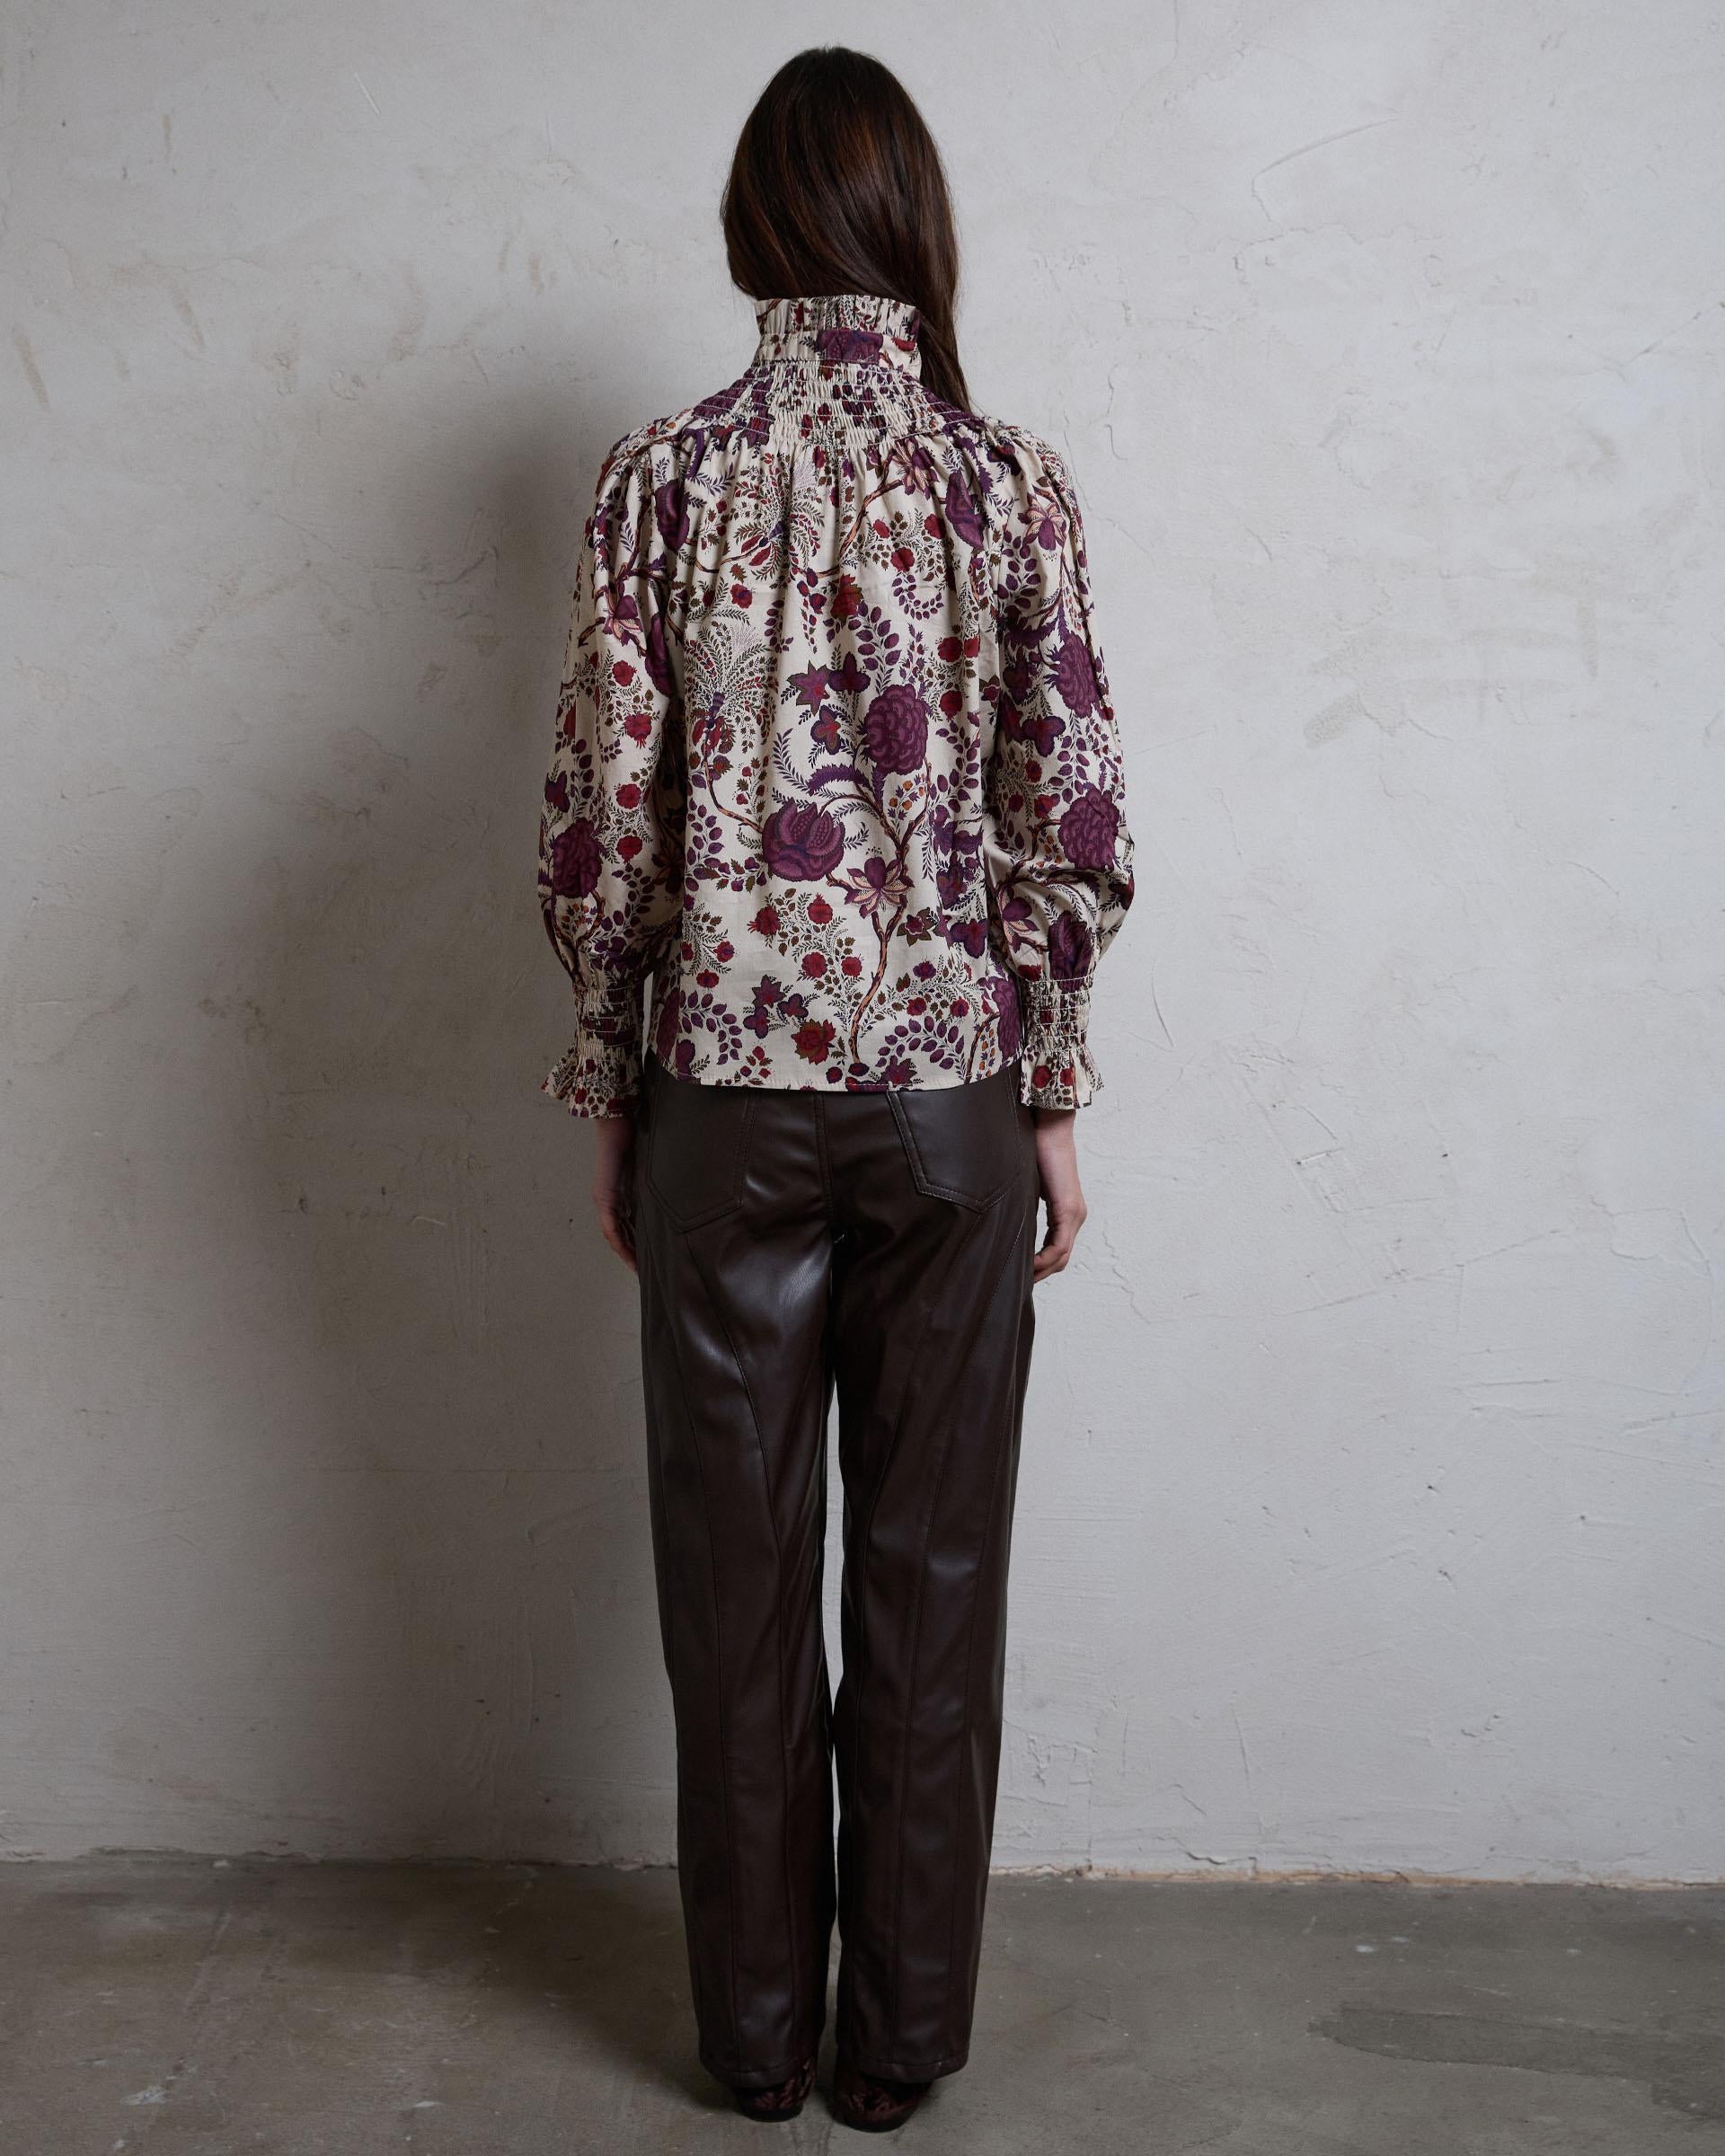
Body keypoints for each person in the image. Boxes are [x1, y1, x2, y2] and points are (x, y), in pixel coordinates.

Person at [535, 45, 1135, 2134]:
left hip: (726, 1091)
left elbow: (603, 824)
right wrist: (1048, 1082)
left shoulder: (658, 476)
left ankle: (756, 2045)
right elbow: (1072, 809)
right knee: (933, 1591)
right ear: (912, 225)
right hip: (949, 1098)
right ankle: (898, 2052)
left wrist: (614, 1077)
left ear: (752, 229)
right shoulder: (1009, 480)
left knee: (735, 1602)